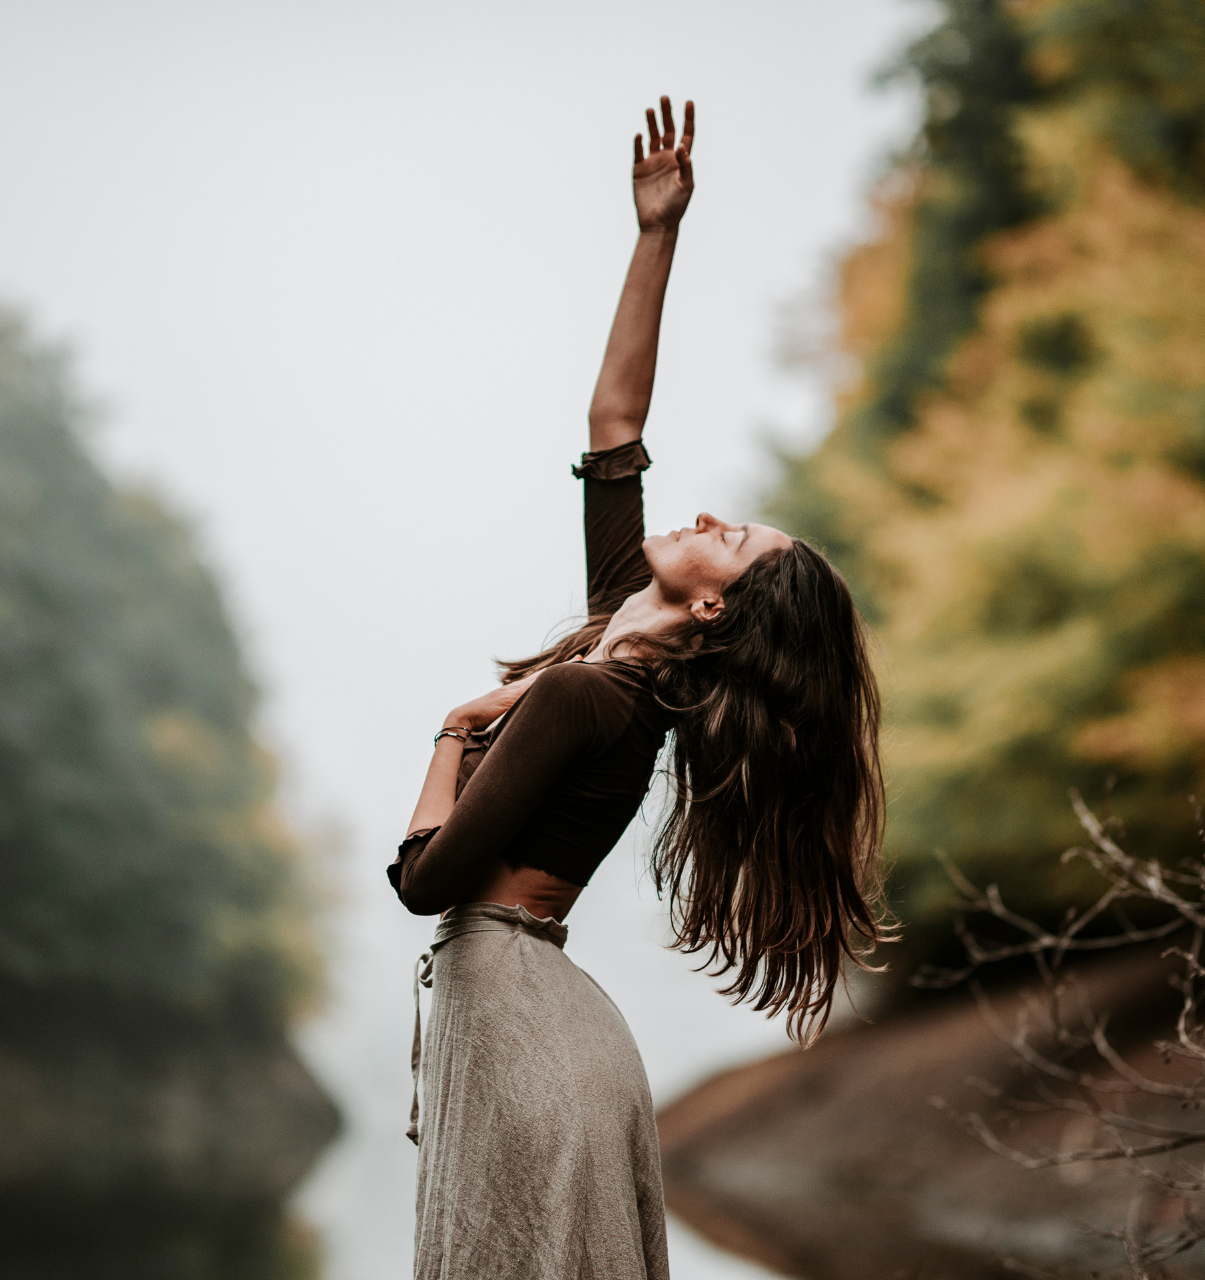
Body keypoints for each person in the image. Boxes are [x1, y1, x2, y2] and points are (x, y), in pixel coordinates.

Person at [389, 96, 889, 1280]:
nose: (710, 515)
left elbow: (425, 882)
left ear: (713, 605)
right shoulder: (624, 646)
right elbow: (615, 423)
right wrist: (656, 232)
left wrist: (452, 736)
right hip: (536, 1015)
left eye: (736, 539)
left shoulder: (587, 702)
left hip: (519, 1020)